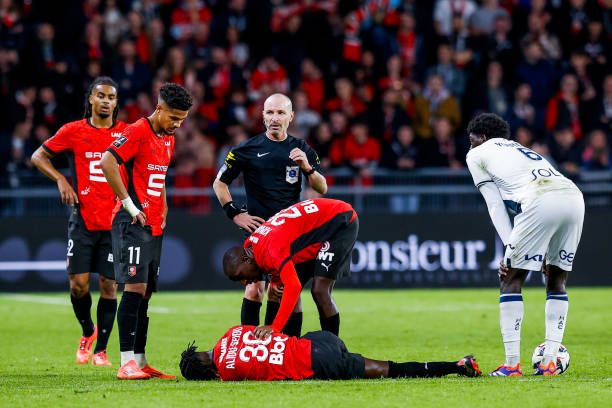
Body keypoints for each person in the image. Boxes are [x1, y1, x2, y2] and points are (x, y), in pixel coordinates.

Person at [465, 113, 584, 376]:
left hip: (540, 198)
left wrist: (509, 248)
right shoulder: (520, 149)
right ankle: (549, 362)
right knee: (556, 278)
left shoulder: (476, 154)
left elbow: (495, 205)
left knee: (510, 278)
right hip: (573, 196)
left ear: (482, 137)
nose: (470, 147)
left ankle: (511, 365)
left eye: (472, 141)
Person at [30, 77, 127, 367]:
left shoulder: (126, 133)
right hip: (82, 220)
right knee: (79, 286)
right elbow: (38, 156)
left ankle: (102, 351)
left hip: (114, 223)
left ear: (116, 103)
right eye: (101, 96)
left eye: (111, 97)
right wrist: (61, 179)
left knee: (109, 286)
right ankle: (88, 331)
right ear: (91, 99)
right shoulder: (73, 131)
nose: (106, 101)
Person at [213, 93, 327, 338]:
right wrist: (235, 214)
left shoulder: (301, 149)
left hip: (289, 234)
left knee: (286, 293)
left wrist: (307, 168)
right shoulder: (246, 149)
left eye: (280, 113)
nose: (275, 118)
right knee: (255, 289)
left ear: (291, 117)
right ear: (263, 116)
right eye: (270, 112)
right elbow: (219, 184)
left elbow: (322, 187)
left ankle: (285, 346)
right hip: (259, 232)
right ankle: (248, 345)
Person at [100, 83, 193, 380]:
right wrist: (129, 205)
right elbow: (107, 161)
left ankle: (140, 361)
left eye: (182, 119)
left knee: (146, 293)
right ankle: (125, 362)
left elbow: (158, 175)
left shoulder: (168, 138)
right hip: (131, 222)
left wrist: (163, 206)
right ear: (159, 108)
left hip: (153, 224)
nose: (177, 124)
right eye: (174, 118)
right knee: (135, 288)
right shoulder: (138, 131)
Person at [223, 198, 358, 340]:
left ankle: (334, 346)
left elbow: (293, 286)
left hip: (339, 222)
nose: (244, 282)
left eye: (241, 276)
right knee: (281, 291)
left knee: (320, 290)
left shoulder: (271, 249)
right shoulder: (251, 244)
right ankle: (289, 345)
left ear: (246, 259)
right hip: (315, 229)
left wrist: (274, 327)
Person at [178, 325, 481, 381]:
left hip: (319, 361)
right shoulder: (231, 332)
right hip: (320, 339)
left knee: (392, 369)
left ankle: (458, 365)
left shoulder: (227, 373)